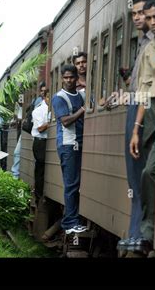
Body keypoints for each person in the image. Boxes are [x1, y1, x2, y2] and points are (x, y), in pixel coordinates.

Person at [116, 0, 155, 253]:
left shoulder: (154, 43)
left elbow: (148, 87)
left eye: (143, 13)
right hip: (136, 104)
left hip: (145, 109)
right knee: (134, 177)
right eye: (135, 14)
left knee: (141, 174)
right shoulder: (142, 42)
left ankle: (140, 234)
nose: (139, 18)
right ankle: (135, 233)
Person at [129, 0, 155, 254]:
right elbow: (143, 89)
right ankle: (149, 231)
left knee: (149, 172)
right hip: (150, 111)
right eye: (149, 18)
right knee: (147, 171)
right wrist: (136, 128)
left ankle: (149, 231)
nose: (153, 22)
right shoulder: (149, 50)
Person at [52, 65, 87, 235]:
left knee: (75, 184)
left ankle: (72, 220)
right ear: (62, 79)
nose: (68, 80)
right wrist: (82, 109)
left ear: (76, 78)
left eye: (71, 77)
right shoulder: (59, 98)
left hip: (79, 143)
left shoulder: (81, 95)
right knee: (71, 184)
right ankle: (69, 223)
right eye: (65, 78)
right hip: (67, 145)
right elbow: (65, 121)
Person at [31, 88, 50, 204]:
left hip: (47, 141)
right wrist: (52, 121)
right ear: (45, 97)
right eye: (48, 97)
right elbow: (40, 128)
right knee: (40, 169)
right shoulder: (38, 110)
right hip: (40, 142)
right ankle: (38, 195)